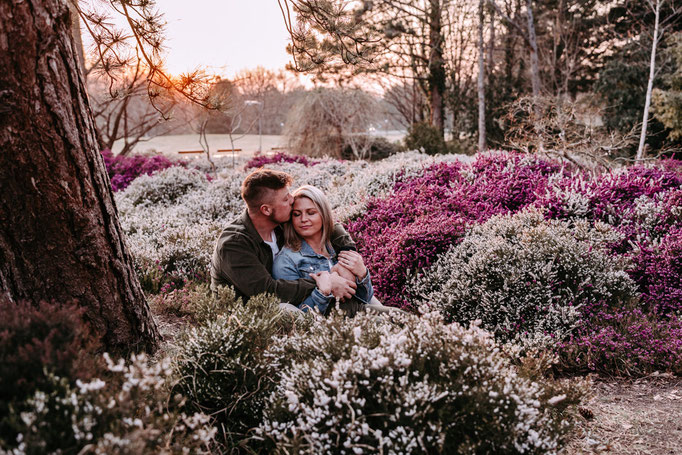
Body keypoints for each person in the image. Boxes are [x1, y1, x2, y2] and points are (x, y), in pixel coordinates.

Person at [210, 169, 357, 311]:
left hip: (302, 303)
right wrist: (326, 282)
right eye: (286, 199)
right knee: (284, 309)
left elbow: (327, 223)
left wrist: (347, 253)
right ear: (266, 210)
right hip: (251, 317)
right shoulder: (234, 245)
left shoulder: (280, 222)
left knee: (373, 308)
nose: (292, 200)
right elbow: (268, 292)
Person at [272, 185, 373, 316]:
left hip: (360, 313)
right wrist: (323, 292)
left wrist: (362, 273)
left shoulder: (337, 247)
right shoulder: (286, 260)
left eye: (311, 213)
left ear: (323, 214)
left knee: (403, 317)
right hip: (330, 327)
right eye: (297, 214)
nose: (303, 219)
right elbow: (299, 317)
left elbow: (366, 298)